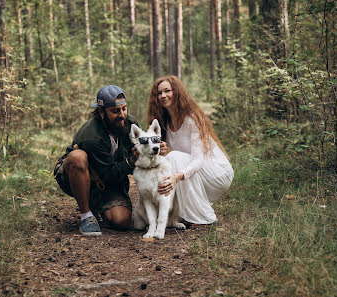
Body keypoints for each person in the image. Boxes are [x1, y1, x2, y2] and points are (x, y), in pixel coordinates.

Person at [147, 75, 234, 224]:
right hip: (196, 170)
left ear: (177, 92)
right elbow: (172, 156)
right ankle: (173, 212)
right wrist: (162, 151)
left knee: (174, 158)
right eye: (159, 93)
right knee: (169, 159)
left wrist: (177, 177)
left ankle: (202, 216)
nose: (163, 96)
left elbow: (197, 160)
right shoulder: (165, 123)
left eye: (167, 91)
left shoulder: (192, 119)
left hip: (217, 172)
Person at [54, 85, 139, 236]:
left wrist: (154, 148)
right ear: (101, 112)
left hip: (108, 181)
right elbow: (109, 172)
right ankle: (86, 216)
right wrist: (131, 161)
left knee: (122, 221)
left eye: (124, 109)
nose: (122, 115)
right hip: (78, 175)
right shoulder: (91, 135)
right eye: (115, 111)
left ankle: (97, 207)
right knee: (77, 157)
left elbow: (137, 153)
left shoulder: (130, 124)